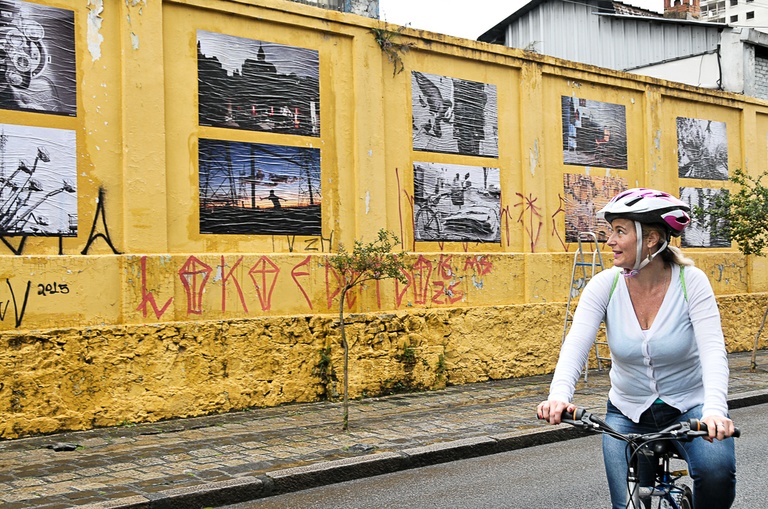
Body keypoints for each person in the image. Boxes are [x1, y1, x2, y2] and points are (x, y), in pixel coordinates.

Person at [537, 188, 736, 509]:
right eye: (610, 231)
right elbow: (576, 343)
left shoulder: (691, 282)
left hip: (691, 408)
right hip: (627, 413)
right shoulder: (604, 285)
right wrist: (559, 395)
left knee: (716, 471)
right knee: (627, 504)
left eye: (620, 231)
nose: (609, 241)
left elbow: (713, 350)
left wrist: (714, 411)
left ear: (652, 239)